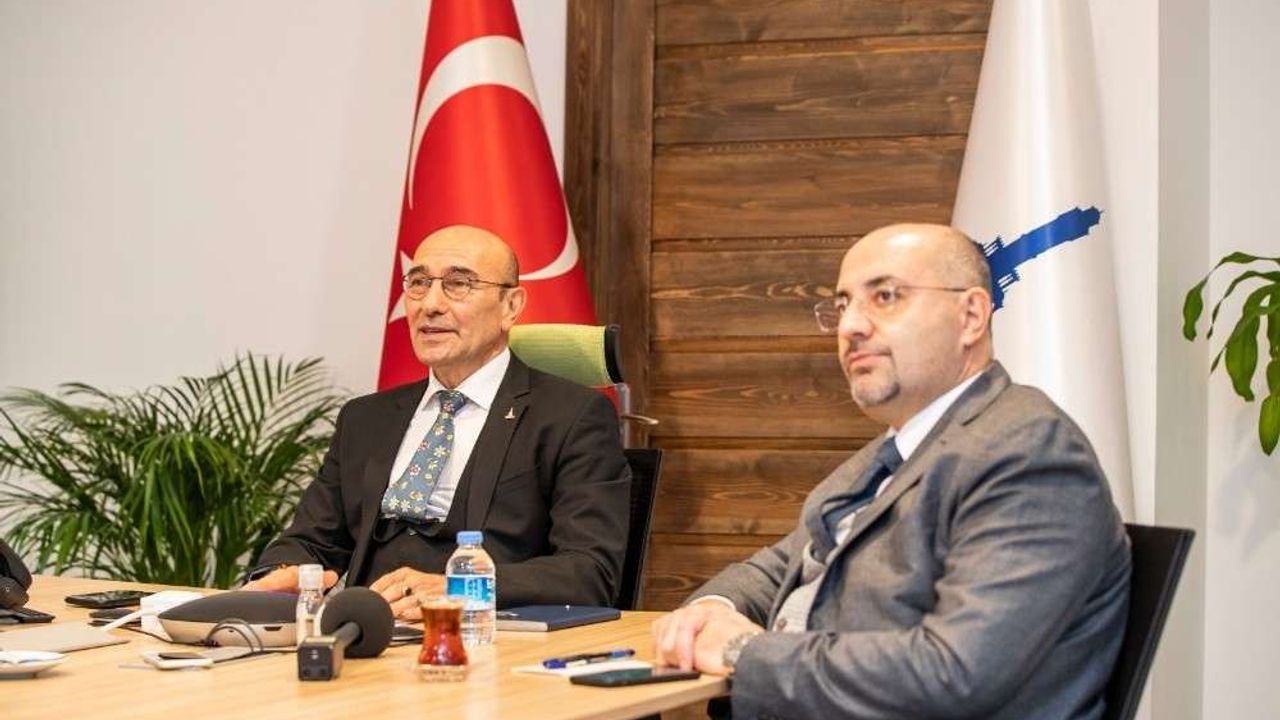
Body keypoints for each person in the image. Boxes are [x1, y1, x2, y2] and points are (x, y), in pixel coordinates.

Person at [652, 223, 1131, 719]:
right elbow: (782, 567)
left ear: (970, 316)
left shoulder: (1027, 452)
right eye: (842, 305)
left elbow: (952, 673)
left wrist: (743, 653)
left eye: (885, 297)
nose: (850, 326)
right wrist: (712, 611)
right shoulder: (894, 451)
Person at [245, 225, 631, 620]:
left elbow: (589, 571)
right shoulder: (365, 418)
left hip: (482, 636)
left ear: (510, 306)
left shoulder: (570, 417)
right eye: (418, 283)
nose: (430, 304)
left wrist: (460, 588)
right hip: (365, 631)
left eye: (458, 284)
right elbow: (312, 541)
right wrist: (279, 575)